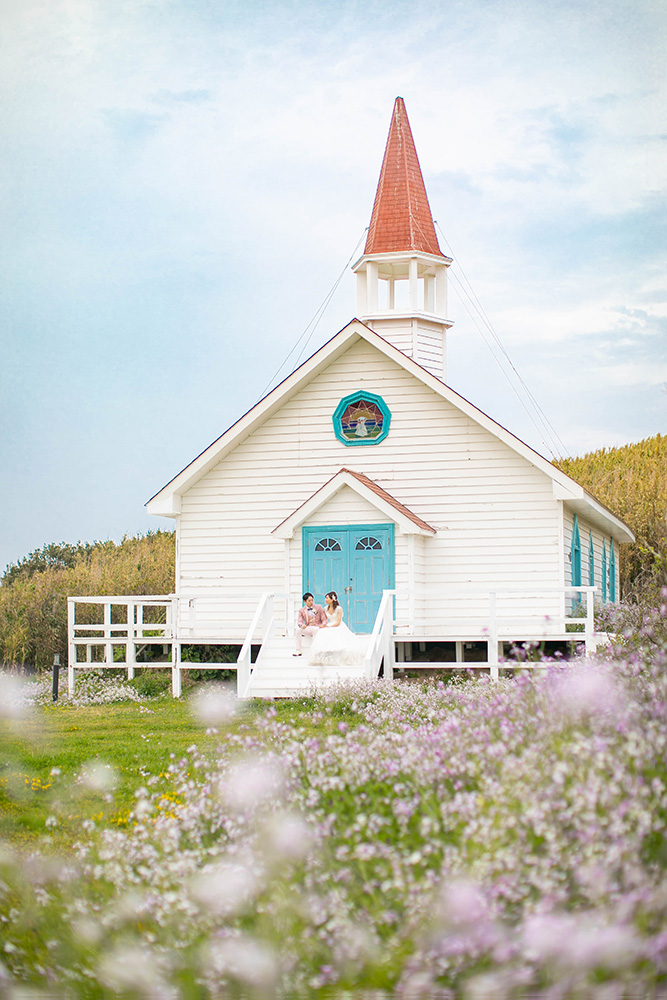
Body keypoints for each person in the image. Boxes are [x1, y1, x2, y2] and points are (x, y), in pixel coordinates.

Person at [308, 591, 367, 666]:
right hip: (329, 624)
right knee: (322, 632)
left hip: (337, 625)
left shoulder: (339, 609)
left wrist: (328, 626)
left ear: (332, 599)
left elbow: (338, 622)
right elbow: (323, 618)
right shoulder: (325, 608)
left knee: (334, 633)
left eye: (327, 598)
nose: (325, 600)